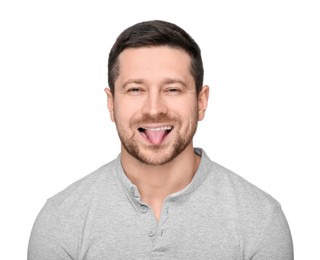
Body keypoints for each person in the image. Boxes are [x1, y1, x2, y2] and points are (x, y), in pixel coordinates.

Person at [28, 20, 294, 259]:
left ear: (201, 102)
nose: (154, 109)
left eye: (173, 89)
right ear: (111, 104)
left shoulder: (260, 220)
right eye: (135, 89)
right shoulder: (60, 220)